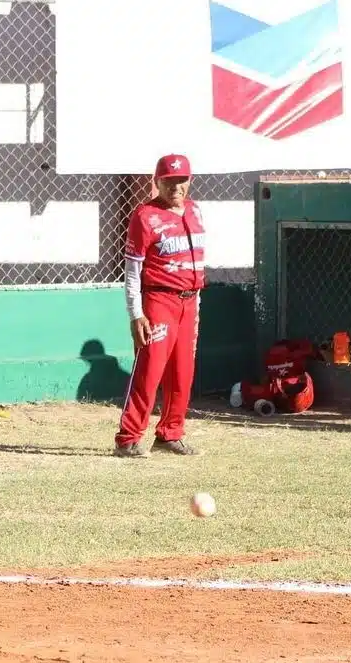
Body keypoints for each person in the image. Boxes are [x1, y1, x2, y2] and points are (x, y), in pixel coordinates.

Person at [115, 153, 207, 457]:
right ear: (157, 182)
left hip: (190, 301)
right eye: (168, 181)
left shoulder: (195, 211)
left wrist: (196, 304)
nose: (176, 187)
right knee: (150, 369)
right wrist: (136, 313)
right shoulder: (144, 216)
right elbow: (132, 271)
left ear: (190, 180)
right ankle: (128, 438)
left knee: (183, 371)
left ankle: (170, 433)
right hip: (158, 300)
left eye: (181, 181)